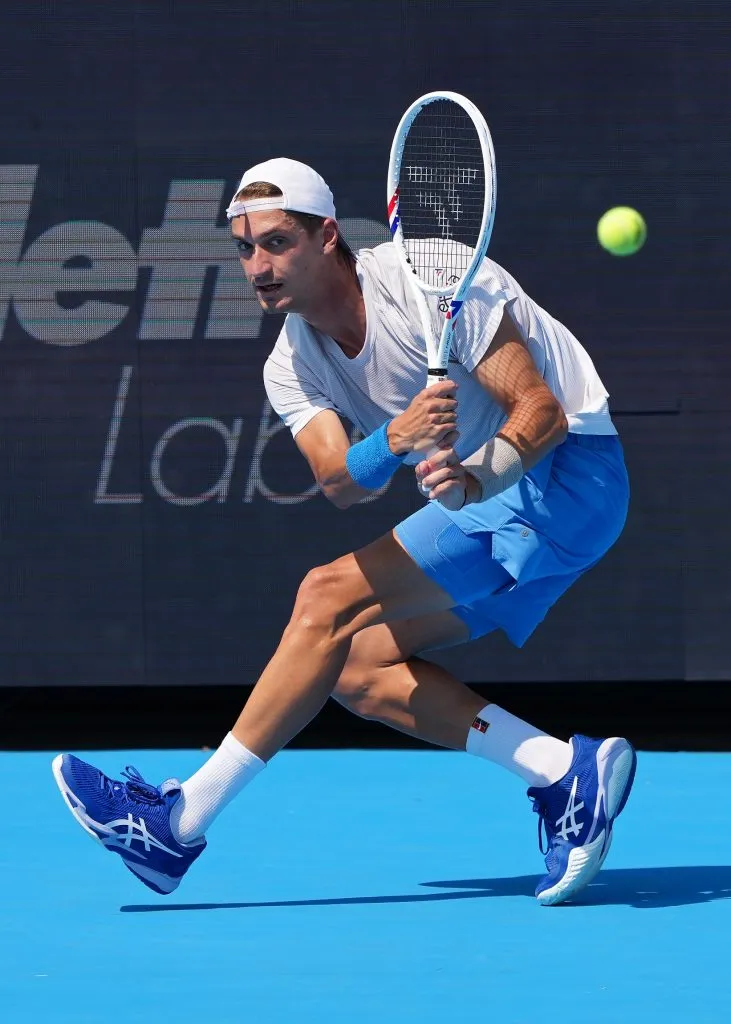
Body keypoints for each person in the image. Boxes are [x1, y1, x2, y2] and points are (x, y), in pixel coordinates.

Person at [52, 158, 636, 906]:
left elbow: (541, 413)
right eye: (243, 249)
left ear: (327, 235)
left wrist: (476, 475)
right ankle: (561, 772)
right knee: (357, 666)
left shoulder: (432, 277)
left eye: (276, 243)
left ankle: (178, 824)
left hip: (570, 477)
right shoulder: (290, 364)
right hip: (503, 502)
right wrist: (392, 439)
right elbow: (337, 480)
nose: (257, 267)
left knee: (325, 596)